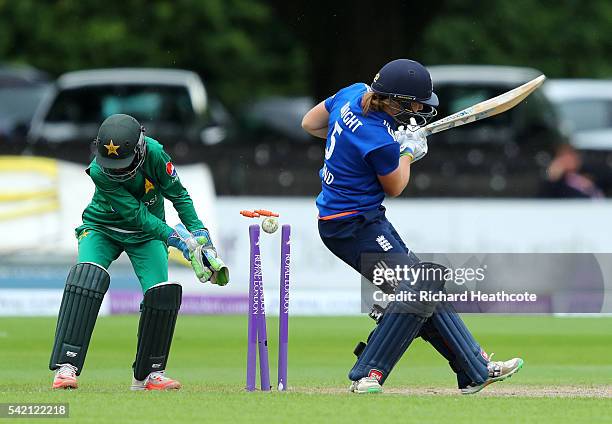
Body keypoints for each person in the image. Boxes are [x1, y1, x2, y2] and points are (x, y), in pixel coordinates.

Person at [301, 59, 523, 394]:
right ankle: (368, 374)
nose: (419, 109)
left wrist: (355, 146)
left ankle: (475, 370)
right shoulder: (378, 138)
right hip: (352, 227)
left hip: (353, 220)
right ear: (395, 100)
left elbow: (311, 123)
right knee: (420, 285)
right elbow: (396, 185)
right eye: (415, 104)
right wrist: (406, 152)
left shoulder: (352, 93)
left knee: (423, 287)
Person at [49, 114, 228, 391]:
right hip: (102, 228)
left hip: (146, 237)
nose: (117, 170)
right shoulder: (98, 169)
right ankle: (65, 367)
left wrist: (200, 234)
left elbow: (178, 195)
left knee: (161, 293)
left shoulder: (155, 153)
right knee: (86, 279)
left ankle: (149, 375)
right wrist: (176, 239)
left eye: (123, 164)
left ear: (140, 148)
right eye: (112, 165)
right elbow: (136, 215)